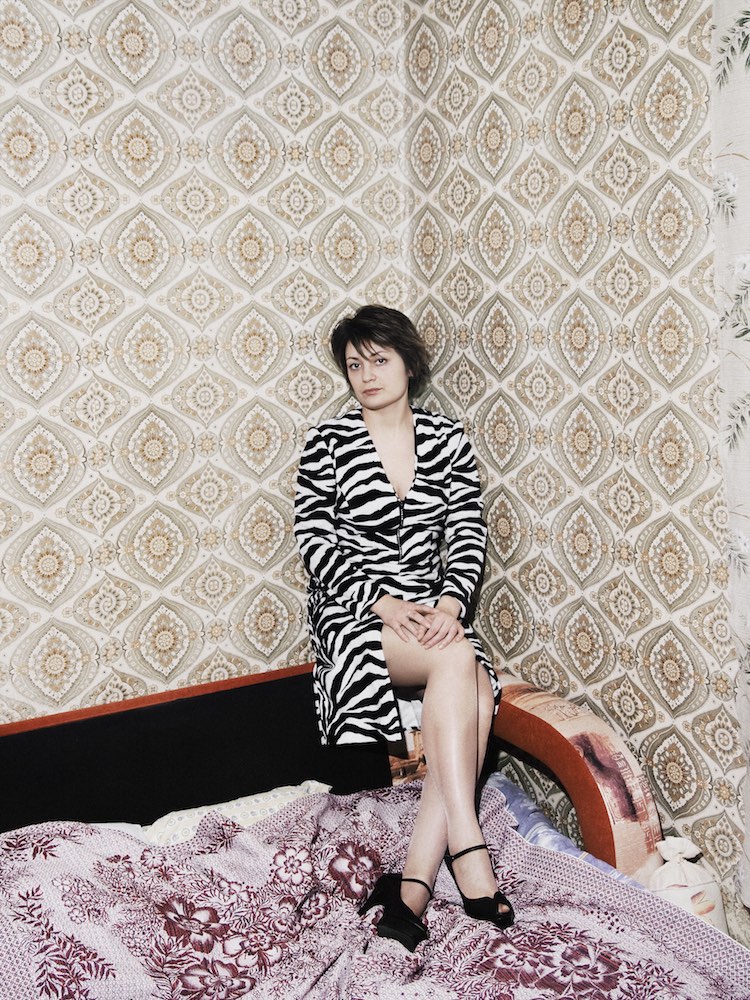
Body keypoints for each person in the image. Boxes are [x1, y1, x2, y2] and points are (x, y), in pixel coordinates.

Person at [293, 304, 513, 950]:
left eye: (378, 360)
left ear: (408, 364)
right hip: (355, 617)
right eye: (354, 364)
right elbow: (314, 541)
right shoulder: (327, 443)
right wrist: (381, 602)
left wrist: (450, 604)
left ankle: (412, 889)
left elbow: (466, 528)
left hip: (432, 615)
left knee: (472, 683)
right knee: (458, 661)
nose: (366, 375)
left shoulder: (446, 439)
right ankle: (467, 845)